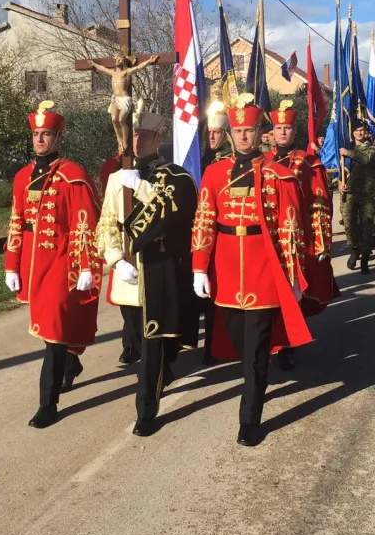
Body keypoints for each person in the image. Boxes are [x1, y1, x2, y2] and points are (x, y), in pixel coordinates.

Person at [191, 93, 311, 446]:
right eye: (238, 131)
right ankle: (256, 376)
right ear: (231, 133)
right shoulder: (214, 173)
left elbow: (292, 227)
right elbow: (204, 220)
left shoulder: (279, 175)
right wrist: (199, 267)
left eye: (249, 130)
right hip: (226, 267)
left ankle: (249, 418)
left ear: (261, 133)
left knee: (256, 348)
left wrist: (293, 275)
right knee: (239, 342)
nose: (243, 136)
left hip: (263, 266)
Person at [96, 104, 198, 436]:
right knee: (140, 341)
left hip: (159, 269)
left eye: (143, 135)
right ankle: (158, 376)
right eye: (133, 135)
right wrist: (115, 258)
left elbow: (168, 210)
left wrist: (138, 186)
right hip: (128, 270)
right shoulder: (117, 177)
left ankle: (146, 409)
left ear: (158, 138)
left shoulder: (176, 176)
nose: (137, 141)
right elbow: (107, 221)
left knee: (155, 340)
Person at [4, 100, 102, 429]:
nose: (40, 139)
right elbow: (16, 222)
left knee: (53, 331)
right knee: (52, 331)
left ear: (59, 137)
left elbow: (85, 222)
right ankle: (71, 364)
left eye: (46, 134)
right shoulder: (22, 176)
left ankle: (48, 404)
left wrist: (86, 265)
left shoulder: (73, 175)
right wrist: (11, 264)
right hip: (32, 261)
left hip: (61, 259)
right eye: (36, 134)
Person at [265, 99, 339, 371]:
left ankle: (287, 345)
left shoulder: (308, 162)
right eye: (278, 128)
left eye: (287, 128)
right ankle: (270, 340)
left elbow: (320, 204)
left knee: (293, 292)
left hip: (297, 238)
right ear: (272, 132)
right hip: (268, 239)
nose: (283, 132)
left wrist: (321, 243)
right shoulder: (262, 162)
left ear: (294, 130)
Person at [200, 101, 234, 366]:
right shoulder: (198, 157)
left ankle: (213, 345)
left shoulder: (229, 161)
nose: (211, 137)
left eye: (216, 133)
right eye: (209, 132)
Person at [86, 54, 160, 154]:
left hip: (124, 99)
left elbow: (139, 67)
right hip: (116, 99)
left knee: (121, 120)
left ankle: (125, 142)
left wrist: (149, 61)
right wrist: (93, 64)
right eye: (117, 59)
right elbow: (102, 68)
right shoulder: (112, 73)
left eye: (120, 59)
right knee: (114, 120)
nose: (118, 60)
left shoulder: (126, 72)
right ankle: (119, 140)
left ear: (123, 61)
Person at [340, 119, 375, 273]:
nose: (359, 133)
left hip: (368, 193)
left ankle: (365, 258)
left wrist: (348, 153)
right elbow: (339, 168)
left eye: (362, 130)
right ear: (352, 132)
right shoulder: (346, 146)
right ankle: (353, 250)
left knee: (367, 227)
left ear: (365, 132)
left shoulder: (374, 148)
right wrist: (339, 182)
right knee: (349, 225)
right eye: (356, 130)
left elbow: (366, 159)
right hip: (350, 193)